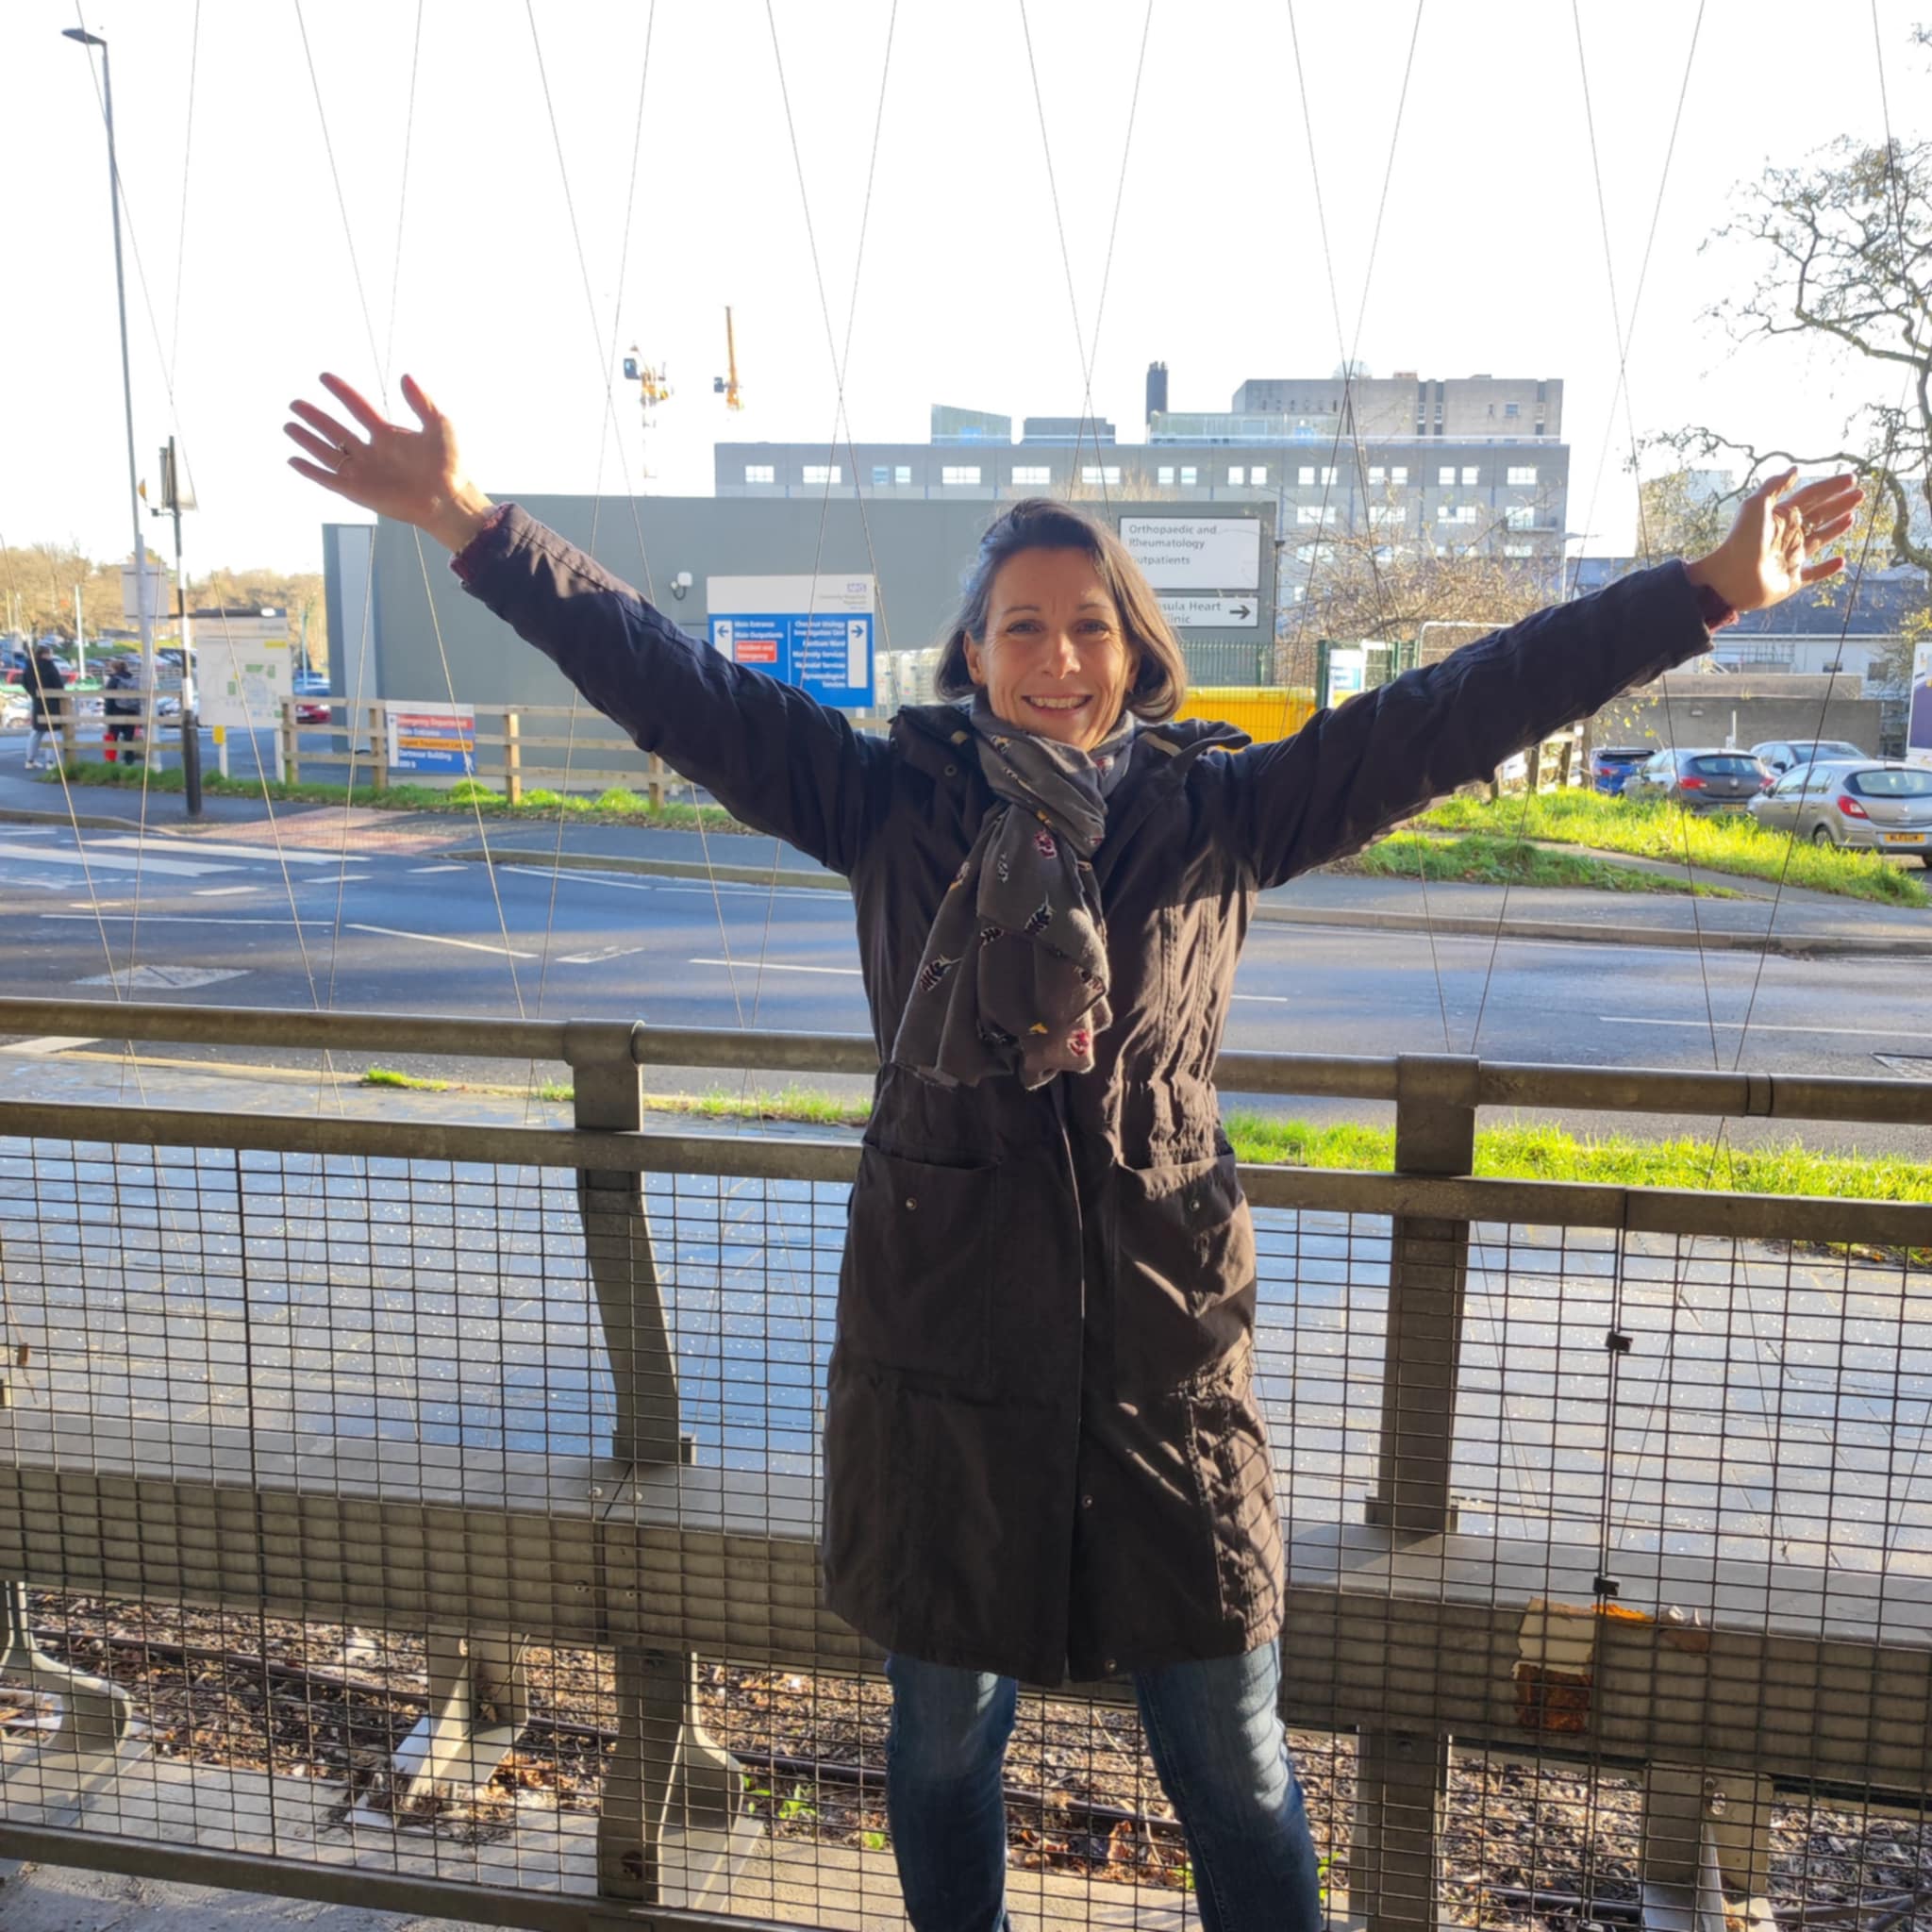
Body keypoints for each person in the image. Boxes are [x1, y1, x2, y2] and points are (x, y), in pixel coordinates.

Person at [286, 373, 1857, 1932]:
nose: (1055, 655)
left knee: (1232, 1756)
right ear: (970, 653)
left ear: (1134, 648)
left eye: (1086, 624)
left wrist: (1706, 587)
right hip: (940, 1363)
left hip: (1163, 1372)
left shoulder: (1223, 816)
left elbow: (1461, 705)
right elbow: (670, 679)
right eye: (1020, 626)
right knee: (940, 1739)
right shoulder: (883, 801)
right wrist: (470, 523)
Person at [22, 644, 67, 772]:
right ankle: (51, 762)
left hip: (37, 702)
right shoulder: (49, 666)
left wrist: (34, 694)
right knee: (53, 732)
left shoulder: (29, 666)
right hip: (51, 702)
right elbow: (58, 684)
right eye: (50, 653)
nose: (51, 656)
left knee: (36, 731)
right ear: (44, 654)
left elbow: (24, 682)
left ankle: (30, 760)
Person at [102, 656, 142, 763]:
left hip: (117, 711)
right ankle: (129, 762)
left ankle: (111, 762)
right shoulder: (133, 680)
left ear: (114, 669)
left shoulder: (114, 681)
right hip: (132, 711)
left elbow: (109, 698)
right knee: (128, 739)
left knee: (112, 738)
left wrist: (107, 714)